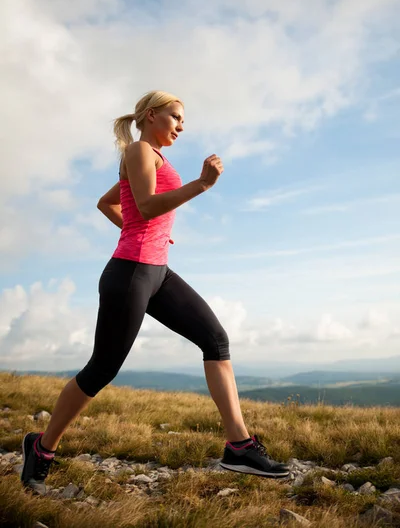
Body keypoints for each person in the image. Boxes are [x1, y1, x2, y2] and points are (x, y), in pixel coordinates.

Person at [21, 90, 290, 495]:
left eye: (183, 121)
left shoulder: (153, 157)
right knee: (102, 369)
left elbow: (110, 204)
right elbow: (145, 207)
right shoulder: (139, 151)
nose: (181, 127)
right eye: (175, 117)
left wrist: (152, 236)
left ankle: (239, 445)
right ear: (151, 115)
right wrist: (201, 185)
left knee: (215, 340)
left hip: (157, 271)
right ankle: (40, 449)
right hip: (130, 273)